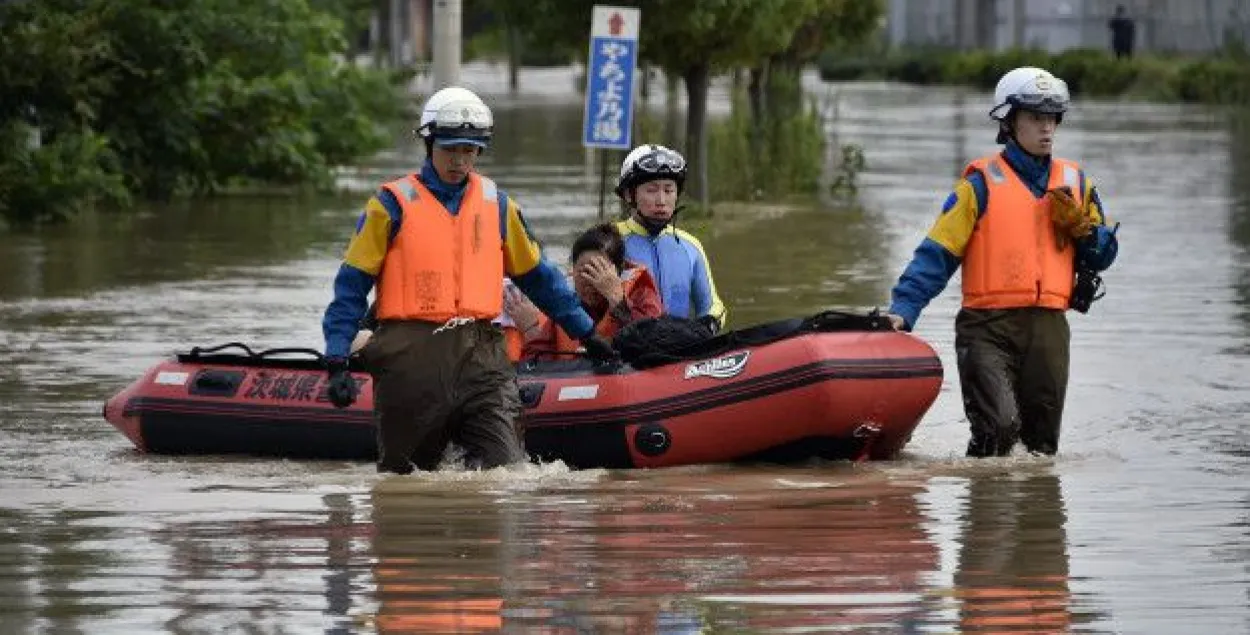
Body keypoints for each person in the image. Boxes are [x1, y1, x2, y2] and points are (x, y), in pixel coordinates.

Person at [320, 86, 615, 475]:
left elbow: (539, 278)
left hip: (482, 355)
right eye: (450, 149)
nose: (460, 160)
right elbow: (351, 287)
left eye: (470, 150)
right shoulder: (389, 204)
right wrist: (338, 359)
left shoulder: (498, 205)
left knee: (507, 473)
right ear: (429, 144)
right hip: (411, 356)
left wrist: (586, 333)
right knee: (405, 480)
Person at [885, 67, 1120, 458]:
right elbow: (937, 254)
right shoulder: (978, 185)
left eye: (1052, 118)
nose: (1047, 128)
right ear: (1009, 121)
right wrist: (903, 310)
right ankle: (983, 512)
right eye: (1035, 117)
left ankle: (1034, 519)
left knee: (1041, 450)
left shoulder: (1078, 185)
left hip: (1048, 331)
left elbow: (1104, 256)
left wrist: (1084, 232)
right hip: (986, 329)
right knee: (999, 429)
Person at [613, 144, 727, 334]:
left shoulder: (690, 246)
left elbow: (714, 307)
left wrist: (709, 324)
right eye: (651, 190)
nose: (661, 200)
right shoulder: (608, 241)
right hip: (624, 353)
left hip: (678, 351)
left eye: (668, 190)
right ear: (629, 195)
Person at [508, 223, 664, 360]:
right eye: (583, 272)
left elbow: (654, 346)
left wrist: (619, 303)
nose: (590, 282)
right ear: (572, 270)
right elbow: (538, 356)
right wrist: (531, 331)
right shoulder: (565, 305)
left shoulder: (642, 296)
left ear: (619, 272)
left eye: (598, 271)